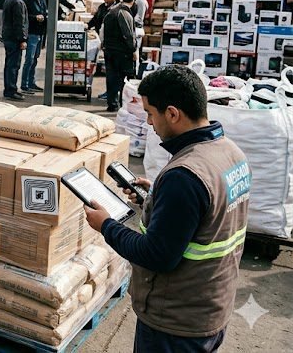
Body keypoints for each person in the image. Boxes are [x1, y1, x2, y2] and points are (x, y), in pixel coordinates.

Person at [84, 66, 249, 353]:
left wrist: (107, 226)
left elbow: (156, 255)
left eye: (150, 113)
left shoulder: (184, 178)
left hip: (175, 322)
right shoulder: (230, 152)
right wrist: (155, 197)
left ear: (173, 113)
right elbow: (206, 216)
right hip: (211, 307)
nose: (148, 122)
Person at [102, 0, 137, 112]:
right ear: (133, 1)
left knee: (111, 77)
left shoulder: (111, 11)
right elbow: (128, 34)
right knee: (124, 79)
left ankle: (112, 103)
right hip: (122, 52)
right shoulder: (124, 13)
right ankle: (123, 105)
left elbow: (102, 30)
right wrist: (133, 50)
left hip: (109, 50)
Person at [1, 0, 31, 101]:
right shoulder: (18, 2)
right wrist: (23, 39)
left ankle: (9, 88)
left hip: (8, 37)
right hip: (14, 39)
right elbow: (19, 23)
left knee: (9, 65)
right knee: (13, 65)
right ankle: (11, 90)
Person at [21, 0, 49, 94]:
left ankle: (31, 82)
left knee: (35, 59)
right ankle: (25, 84)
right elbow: (25, 16)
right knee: (29, 59)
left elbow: (44, 12)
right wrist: (35, 17)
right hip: (32, 33)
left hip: (40, 33)